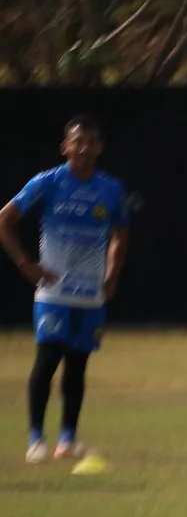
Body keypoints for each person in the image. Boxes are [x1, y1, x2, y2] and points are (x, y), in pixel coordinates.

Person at [0, 115, 129, 464]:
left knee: (77, 366)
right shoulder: (48, 183)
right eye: (77, 142)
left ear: (100, 148)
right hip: (53, 293)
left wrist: (112, 273)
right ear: (65, 147)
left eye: (90, 142)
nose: (84, 149)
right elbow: (4, 220)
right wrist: (25, 264)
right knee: (47, 361)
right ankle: (36, 440)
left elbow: (119, 235)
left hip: (90, 295)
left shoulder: (110, 189)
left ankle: (67, 440)